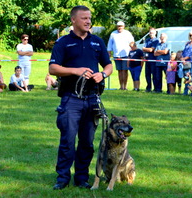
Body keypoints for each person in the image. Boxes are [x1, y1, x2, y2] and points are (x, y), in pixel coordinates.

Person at [49, 5, 113, 190]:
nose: (88, 21)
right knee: (68, 141)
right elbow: (53, 68)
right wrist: (74, 71)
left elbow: (108, 65)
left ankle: (82, 179)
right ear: (74, 20)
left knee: (87, 142)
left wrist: (103, 74)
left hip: (92, 99)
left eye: (89, 18)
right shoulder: (63, 42)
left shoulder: (97, 42)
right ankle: (62, 179)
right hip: (71, 99)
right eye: (84, 18)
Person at [107, 21, 133, 90]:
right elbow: (110, 44)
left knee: (125, 70)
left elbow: (132, 42)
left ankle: (125, 86)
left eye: (121, 26)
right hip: (116, 55)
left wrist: (132, 50)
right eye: (118, 26)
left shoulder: (127, 33)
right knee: (119, 71)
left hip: (125, 55)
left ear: (123, 26)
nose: (119, 28)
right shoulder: (113, 34)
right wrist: (109, 52)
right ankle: (121, 86)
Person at [143, 28, 159, 92]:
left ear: (155, 33)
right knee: (147, 74)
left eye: (152, 33)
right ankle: (148, 88)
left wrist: (145, 49)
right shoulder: (147, 40)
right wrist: (146, 49)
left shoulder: (156, 40)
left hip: (153, 60)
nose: (151, 34)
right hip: (147, 60)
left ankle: (155, 88)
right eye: (150, 32)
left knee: (154, 75)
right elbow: (143, 48)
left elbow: (151, 50)